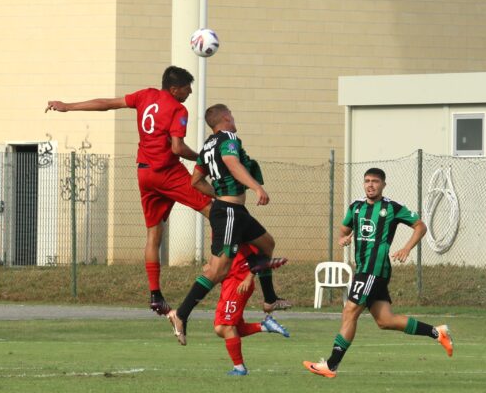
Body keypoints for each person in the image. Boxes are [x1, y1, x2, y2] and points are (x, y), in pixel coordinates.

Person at [46, 66, 213, 316]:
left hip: (144, 173)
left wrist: (68, 106)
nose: (190, 92)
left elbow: (106, 103)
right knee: (214, 208)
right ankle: (234, 258)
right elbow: (177, 148)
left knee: (153, 234)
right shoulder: (179, 109)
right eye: (187, 87)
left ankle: (155, 295)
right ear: (174, 88)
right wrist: (202, 158)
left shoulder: (145, 95)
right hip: (167, 172)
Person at [303, 168, 453, 378]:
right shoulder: (355, 207)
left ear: (383, 184)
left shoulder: (391, 207)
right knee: (385, 320)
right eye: (367, 181)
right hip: (364, 269)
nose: (370, 185)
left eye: (375, 181)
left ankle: (331, 365)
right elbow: (344, 231)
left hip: (375, 269)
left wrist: (406, 248)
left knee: (349, 311)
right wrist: (343, 239)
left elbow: (420, 226)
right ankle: (438, 333)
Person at [167, 103, 289, 345]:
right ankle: (180, 314)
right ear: (225, 118)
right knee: (218, 270)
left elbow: (195, 181)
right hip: (230, 213)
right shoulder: (229, 138)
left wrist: (217, 193)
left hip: (234, 211)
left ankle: (270, 299)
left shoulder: (208, 145)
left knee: (267, 244)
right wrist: (256, 187)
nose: (234, 119)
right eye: (231, 115)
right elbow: (232, 163)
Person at [213, 244, 290, 376]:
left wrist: (249, 277)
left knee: (225, 327)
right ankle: (264, 326)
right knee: (229, 328)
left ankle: (239, 368)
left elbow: (258, 257)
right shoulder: (225, 229)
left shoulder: (241, 229)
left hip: (237, 283)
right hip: (228, 282)